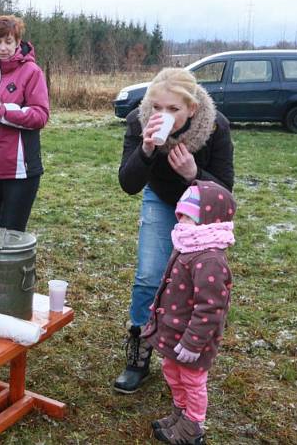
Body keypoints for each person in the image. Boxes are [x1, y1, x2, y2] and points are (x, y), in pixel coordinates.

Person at [115, 67, 234, 394]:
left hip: (200, 204)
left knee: (194, 284)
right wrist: (146, 150)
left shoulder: (215, 127)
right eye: (157, 107)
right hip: (160, 197)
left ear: (191, 109)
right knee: (149, 276)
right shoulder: (138, 122)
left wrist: (194, 174)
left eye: (173, 109)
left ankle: (187, 353)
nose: (162, 114)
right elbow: (128, 184)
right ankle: (139, 352)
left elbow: (225, 191)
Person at [142, 180, 236, 444]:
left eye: (189, 216)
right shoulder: (188, 245)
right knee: (173, 372)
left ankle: (192, 426)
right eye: (180, 213)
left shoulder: (210, 259)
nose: (181, 219)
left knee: (192, 381)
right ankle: (179, 414)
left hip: (193, 340)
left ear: (209, 219)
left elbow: (211, 308)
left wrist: (194, 343)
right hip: (175, 334)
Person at [0, 15, 50, 232]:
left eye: (8, 42)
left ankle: (11, 268)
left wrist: (4, 111)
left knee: (11, 236)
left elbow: (40, 115)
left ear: (18, 42)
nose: (2, 48)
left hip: (20, 171)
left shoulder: (31, 71)